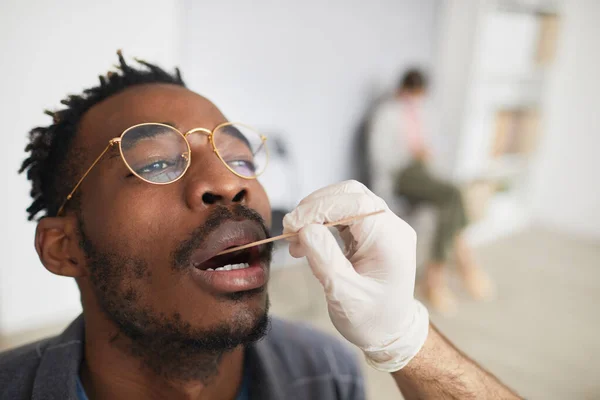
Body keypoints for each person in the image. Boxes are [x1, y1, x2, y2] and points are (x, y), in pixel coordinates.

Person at [0, 52, 520, 399]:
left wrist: (408, 341)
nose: (229, 184)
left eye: (241, 160)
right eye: (156, 162)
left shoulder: (327, 374)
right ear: (64, 247)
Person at [367, 68, 494, 314]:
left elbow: (431, 147)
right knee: (454, 194)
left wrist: (424, 153)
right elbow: (380, 157)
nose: (415, 99)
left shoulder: (422, 113)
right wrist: (412, 154)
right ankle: (457, 268)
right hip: (400, 174)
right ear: (403, 90)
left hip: (422, 171)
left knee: (450, 201)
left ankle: (437, 275)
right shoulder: (386, 114)